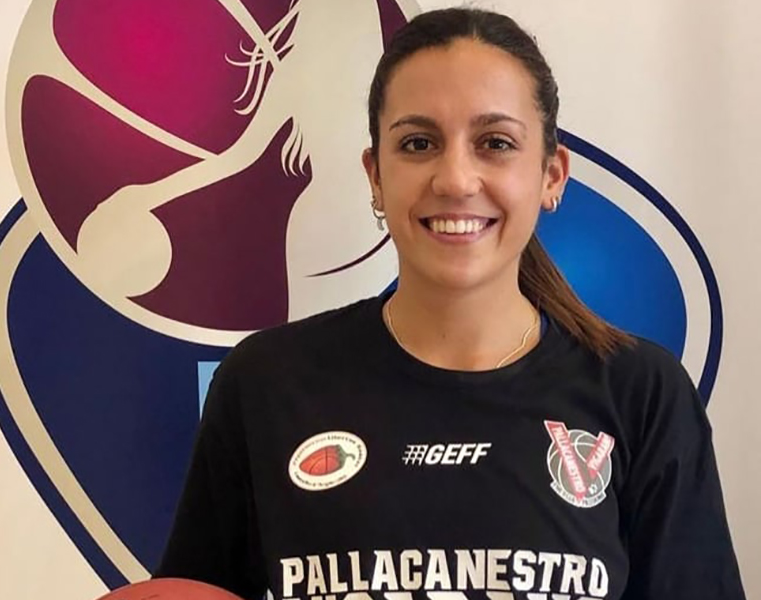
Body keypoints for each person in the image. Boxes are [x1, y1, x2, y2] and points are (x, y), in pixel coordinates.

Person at [155, 8, 746, 600]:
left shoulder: (643, 394)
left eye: (495, 143)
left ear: (551, 175)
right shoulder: (265, 384)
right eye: (418, 143)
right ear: (376, 176)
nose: (456, 180)